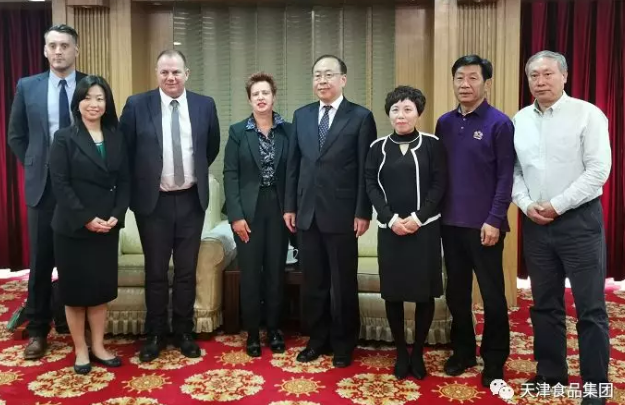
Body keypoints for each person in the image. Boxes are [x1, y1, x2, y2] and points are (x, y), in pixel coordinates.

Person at [513, 50, 611, 405]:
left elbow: (598, 171)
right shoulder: (520, 119)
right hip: (536, 223)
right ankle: (551, 374)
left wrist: (557, 205)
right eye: (534, 76)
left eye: (548, 74)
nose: (540, 82)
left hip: (579, 222)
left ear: (564, 76)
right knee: (545, 304)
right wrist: (526, 204)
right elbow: (515, 170)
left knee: (590, 308)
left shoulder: (588, 114)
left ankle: (595, 386)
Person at [119, 49, 220, 362]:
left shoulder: (205, 105)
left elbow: (211, 147)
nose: (170, 77)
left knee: (187, 271)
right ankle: (155, 334)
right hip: (154, 203)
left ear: (186, 73)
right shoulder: (137, 105)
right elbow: (125, 150)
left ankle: (184, 332)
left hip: (191, 200)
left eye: (176, 71)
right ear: (156, 73)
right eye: (164, 72)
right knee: (156, 271)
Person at [284, 55, 377, 368]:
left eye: (328, 75)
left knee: (343, 284)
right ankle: (317, 339)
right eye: (317, 75)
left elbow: (366, 169)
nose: (322, 81)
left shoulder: (361, 117)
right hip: (307, 213)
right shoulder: (302, 115)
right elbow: (294, 165)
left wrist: (363, 211)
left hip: (343, 214)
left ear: (343, 79)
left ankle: (344, 343)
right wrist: (290, 206)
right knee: (314, 283)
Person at [7, 24, 87, 360]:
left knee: (77, 260)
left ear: (76, 50)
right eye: (52, 45)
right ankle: (38, 330)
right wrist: (35, 162)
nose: (58, 51)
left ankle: (72, 322)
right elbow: (16, 134)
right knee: (40, 262)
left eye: (64, 45)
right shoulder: (28, 86)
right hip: (43, 187)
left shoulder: (90, 85)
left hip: (81, 188)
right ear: (44, 50)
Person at [435, 54, 515, 387]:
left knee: (493, 296)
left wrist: (495, 219)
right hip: (450, 224)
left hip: (486, 227)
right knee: (456, 294)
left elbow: (506, 177)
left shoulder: (499, 123)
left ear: (486, 83)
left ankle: (494, 360)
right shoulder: (444, 123)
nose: (465, 84)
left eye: (472, 78)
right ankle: (463, 351)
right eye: (459, 78)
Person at [48, 75, 129, 374]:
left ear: (107, 103)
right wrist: (85, 218)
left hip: (106, 226)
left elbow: (125, 180)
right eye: (87, 98)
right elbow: (60, 184)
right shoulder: (64, 137)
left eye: (100, 98)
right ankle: (80, 350)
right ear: (78, 103)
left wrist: (117, 214)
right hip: (73, 228)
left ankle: (98, 346)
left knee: (99, 292)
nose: (93, 104)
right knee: (75, 293)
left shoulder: (116, 136)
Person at [365, 86, 446, 380]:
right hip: (391, 231)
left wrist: (417, 218)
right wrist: (390, 219)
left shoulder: (432, 144)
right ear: (389, 114)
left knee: (424, 295)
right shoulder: (377, 147)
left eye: (408, 109)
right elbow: (370, 184)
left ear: (418, 113)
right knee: (394, 294)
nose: (401, 115)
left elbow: (439, 184)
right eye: (395, 109)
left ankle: (418, 352)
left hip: (424, 230)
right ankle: (401, 352)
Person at [223, 72, 291, 357]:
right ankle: (252, 332)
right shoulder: (238, 132)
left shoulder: (288, 130)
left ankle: (273, 329)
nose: (261, 98)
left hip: (279, 208)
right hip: (248, 211)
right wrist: (236, 216)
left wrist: (292, 208)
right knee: (250, 273)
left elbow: (294, 172)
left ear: (274, 96)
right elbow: (230, 174)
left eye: (265, 93)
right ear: (249, 99)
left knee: (275, 272)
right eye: (255, 94)